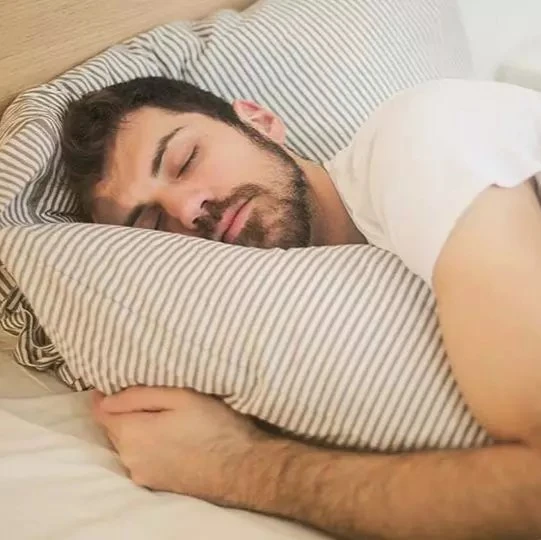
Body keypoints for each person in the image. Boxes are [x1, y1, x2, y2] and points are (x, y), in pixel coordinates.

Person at [62, 76, 541, 540]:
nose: (188, 210)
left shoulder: (419, 142)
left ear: (259, 121)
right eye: (152, 221)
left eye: (186, 159)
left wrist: (231, 465)